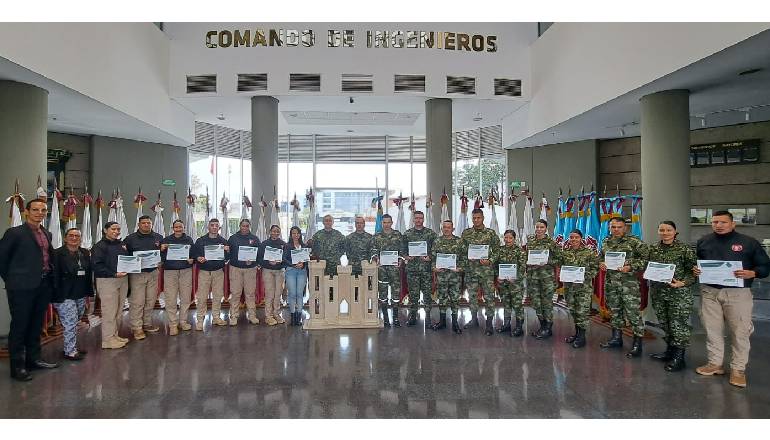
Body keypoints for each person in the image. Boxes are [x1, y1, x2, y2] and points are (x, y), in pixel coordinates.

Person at [693, 210, 770, 388]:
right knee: (712, 330)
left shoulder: (749, 242)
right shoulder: (704, 241)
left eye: (723, 222)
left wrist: (753, 273)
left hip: (737, 293)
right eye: (715, 222)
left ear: (733, 224)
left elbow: (765, 266)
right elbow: (699, 263)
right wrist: (696, 269)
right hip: (710, 292)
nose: (718, 225)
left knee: (740, 332)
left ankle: (738, 369)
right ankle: (715, 363)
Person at [0, 199, 59, 381]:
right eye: (35, 209)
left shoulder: (47, 233)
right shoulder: (14, 233)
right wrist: (12, 280)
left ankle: (34, 360)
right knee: (20, 326)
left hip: (43, 286)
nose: (39, 213)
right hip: (21, 288)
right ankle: (17, 367)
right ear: (26, 212)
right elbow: (2, 259)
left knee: (35, 325)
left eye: (43, 210)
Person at [645, 220, 697, 371]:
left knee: (678, 324)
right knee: (665, 323)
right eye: (662, 230)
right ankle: (670, 351)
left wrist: (683, 282)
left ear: (675, 232)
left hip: (679, 294)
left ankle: (679, 358)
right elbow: (646, 265)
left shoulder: (684, 249)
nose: (665, 233)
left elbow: (693, 272)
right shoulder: (653, 248)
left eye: (668, 230)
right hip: (659, 292)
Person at [599, 216, 648, 357]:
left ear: (625, 228)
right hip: (611, 284)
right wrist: (601, 263)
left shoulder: (635, 241)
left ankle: (637, 344)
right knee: (615, 312)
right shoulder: (606, 241)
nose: (616, 230)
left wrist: (630, 266)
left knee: (633, 314)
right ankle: (616, 338)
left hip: (629, 285)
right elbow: (601, 257)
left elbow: (645, 259)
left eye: (619, 227)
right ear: (609, 228)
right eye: (613, 227)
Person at [52, 228, 93, 360]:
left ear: (80, 239)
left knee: (74, 321)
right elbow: (53, 275)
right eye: (71, 235)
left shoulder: (85, 253)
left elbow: (88, 273)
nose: (74, 238)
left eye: (77, 236)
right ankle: (70, 351)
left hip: (80, 293)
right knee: (70, 322)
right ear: (65, 238)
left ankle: (70, 347)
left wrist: (89, 292)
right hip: (64, 294)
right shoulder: (57, 254)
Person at [460, 208, 500, 335]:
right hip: (471, 270)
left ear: (483, 218)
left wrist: (490, 260)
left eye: (478, 218)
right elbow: (461, 250)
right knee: (472, 296)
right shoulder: (466, 233)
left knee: (489, 297)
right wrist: (467, 258)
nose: (476, 220)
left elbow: (497, 250)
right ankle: (474, 319)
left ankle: (489, 323)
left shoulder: (490, 233)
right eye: (474, 218)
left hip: (486, 271)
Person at [91, 221, 130, 350]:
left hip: (122, 279)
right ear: (105, 230)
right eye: (113, 229)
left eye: (118, 229)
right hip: (107, 281)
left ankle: (114, 335)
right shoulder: (99, 246)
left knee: (118, 310)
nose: (116, 232)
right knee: (109, 311)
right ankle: (107, 340)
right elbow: (96, 265)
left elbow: (127, 260)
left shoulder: (121, 244)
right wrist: (114, 273)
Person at [123, 215, 163, 340]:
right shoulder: (130, 239)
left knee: (150, 300)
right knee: (137, 302)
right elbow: (124, 255)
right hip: (137, 274)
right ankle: (137, 327)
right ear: (139, 224)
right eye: (143, 223)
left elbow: (163, 253)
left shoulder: (158, 237)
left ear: (151, 224)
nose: (146, 225)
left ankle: (147, 324)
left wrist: (161, 261)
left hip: (153, 273)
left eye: (148, 223)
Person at [560, 229, 599, 348]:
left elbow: (595, 268)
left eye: (576, 237)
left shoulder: (589, 253)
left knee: (582, 312)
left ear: (581, 238)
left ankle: (582, 337)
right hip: (569, 288)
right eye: (571, 237)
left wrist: (583, 276)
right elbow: (561, 266)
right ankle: (577, 334)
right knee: (573, 311)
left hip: (583, 288)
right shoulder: (565, 252)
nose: (574, 239)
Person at [524, 219, 562, 339]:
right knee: (536, 303)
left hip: (547, 278)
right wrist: (527, 262)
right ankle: (543, 326)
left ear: (546, 229)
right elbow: (526, 257)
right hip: (533, 277)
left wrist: (547, 261)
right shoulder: (530, 241)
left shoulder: (551, 242)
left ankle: (548, 327)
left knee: (547, 303)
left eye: (542, 227)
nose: (539, 229)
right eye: (537, 227)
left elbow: (559, 258)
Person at [192, 218, 230, 330]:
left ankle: (216, 317)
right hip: (204, 272)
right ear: (208, 227)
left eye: (216, 225)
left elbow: (227, 258)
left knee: (218, 296)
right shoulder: (200, 240)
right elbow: (194, 254)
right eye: (212, 225)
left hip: (218, 272)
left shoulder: (223, 241)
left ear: (219, 228)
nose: (214, 227)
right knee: (202, 297)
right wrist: (198, 258)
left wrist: (227, 251)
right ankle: (200, 319)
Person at [402, 210, 438, 327]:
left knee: (427, 294)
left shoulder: (430, 234)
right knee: (413, 295)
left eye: (420, 218)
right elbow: (402, 250)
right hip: (412, 270)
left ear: (423, 219)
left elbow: (436, 248)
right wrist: (407, 256)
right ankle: (413, 316)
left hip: (426, 270)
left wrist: (430, 257)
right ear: (413, 219)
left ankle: (428, 317)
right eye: (416, 218)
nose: (418, 220)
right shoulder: (407, 234)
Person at [430, 219, 466, 334]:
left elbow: (465, 258)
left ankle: (455, 323)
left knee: (455, 300)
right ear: (442, 229)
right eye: (444, 227)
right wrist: (434, 268)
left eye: (448, 227)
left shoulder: (459, 241)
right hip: (441, 276)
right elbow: (432, 257)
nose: (446, 229)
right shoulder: (437, 241)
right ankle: (442, 322)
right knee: (442, 299)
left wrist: (460, 268)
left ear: (453, 229)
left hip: (455, 276)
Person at [160, 219, 195, 335]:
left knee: (185, 298)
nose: (178, 229)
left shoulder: (189, 240)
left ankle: (183, 322)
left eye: (180, 227)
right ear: (173, 228)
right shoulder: (166, 240)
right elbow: (161, 257)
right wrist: (162, 249)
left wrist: (192, 259)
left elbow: (193, 255)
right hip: (170, 272)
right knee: (171, 299)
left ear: (184, 228)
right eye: (176, 227)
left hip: (185, 271)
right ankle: (173, 324)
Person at [371, 214, 404, 327]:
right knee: (383, 294)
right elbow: (373, 249)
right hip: (382, 270)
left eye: (388, 222)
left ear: (391, 223)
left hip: (394, 269)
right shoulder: (377, 236)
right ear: (382, 223)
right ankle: (385, 318)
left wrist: (400, 259)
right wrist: (376, 258)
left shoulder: (397, 235)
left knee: (396, 295)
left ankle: (395, 318)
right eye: (384, 222)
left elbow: (402, 249)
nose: (386, 224)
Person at [227, 219, 261, 326]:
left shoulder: (255, 239)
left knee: (250, 294)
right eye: (243, 226)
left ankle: (252, 316)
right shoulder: (233, 238)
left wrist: (253, 261)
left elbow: (259, 255)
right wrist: (226, 250)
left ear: (249, 227)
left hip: (250, 270)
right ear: (240, 226)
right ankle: (234, 316)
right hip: (235, 269)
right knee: (235, 293)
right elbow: (227, 255)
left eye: (247, 226)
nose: (245, 228)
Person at [494, 229, 527, 337]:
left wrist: (516, 277)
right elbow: (495, 265)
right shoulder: (500, 250)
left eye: (510, 238)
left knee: (517, 305)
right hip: (503, 284)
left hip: (515, 285)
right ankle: (506, 325)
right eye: (506, 237)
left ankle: (519, 327)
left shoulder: (520, 251)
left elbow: (523, 267)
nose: (508, 240)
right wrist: (497, 276)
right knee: (506, 304)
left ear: (514, 239)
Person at [260, 224, 286, 326]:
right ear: (270, 232)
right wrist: (268, 262)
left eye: (277, 231)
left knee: (278, 293)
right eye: (274, 231)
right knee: (269, 293)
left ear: (279, 233)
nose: (275, 233)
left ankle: (276, 314)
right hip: (268, 271)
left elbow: (286, 259)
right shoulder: (264, 244)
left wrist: (280, 262)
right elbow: (259, 258)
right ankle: (268, 316)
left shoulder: (283, 244)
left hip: (279, 271)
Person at [283, 226, 308, 326]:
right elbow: (284, 259)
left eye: (297, 233)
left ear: (300, 234)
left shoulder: (304, 246)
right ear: (291, 234)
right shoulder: (287, 246)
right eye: (293, 233)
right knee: (292, 293)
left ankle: (299, 316)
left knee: (299, 294)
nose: (296, 235)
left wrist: (303, 264)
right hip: (291, 271)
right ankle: (293, 316)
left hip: (302, 272)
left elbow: (307, 259)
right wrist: (293, 265)